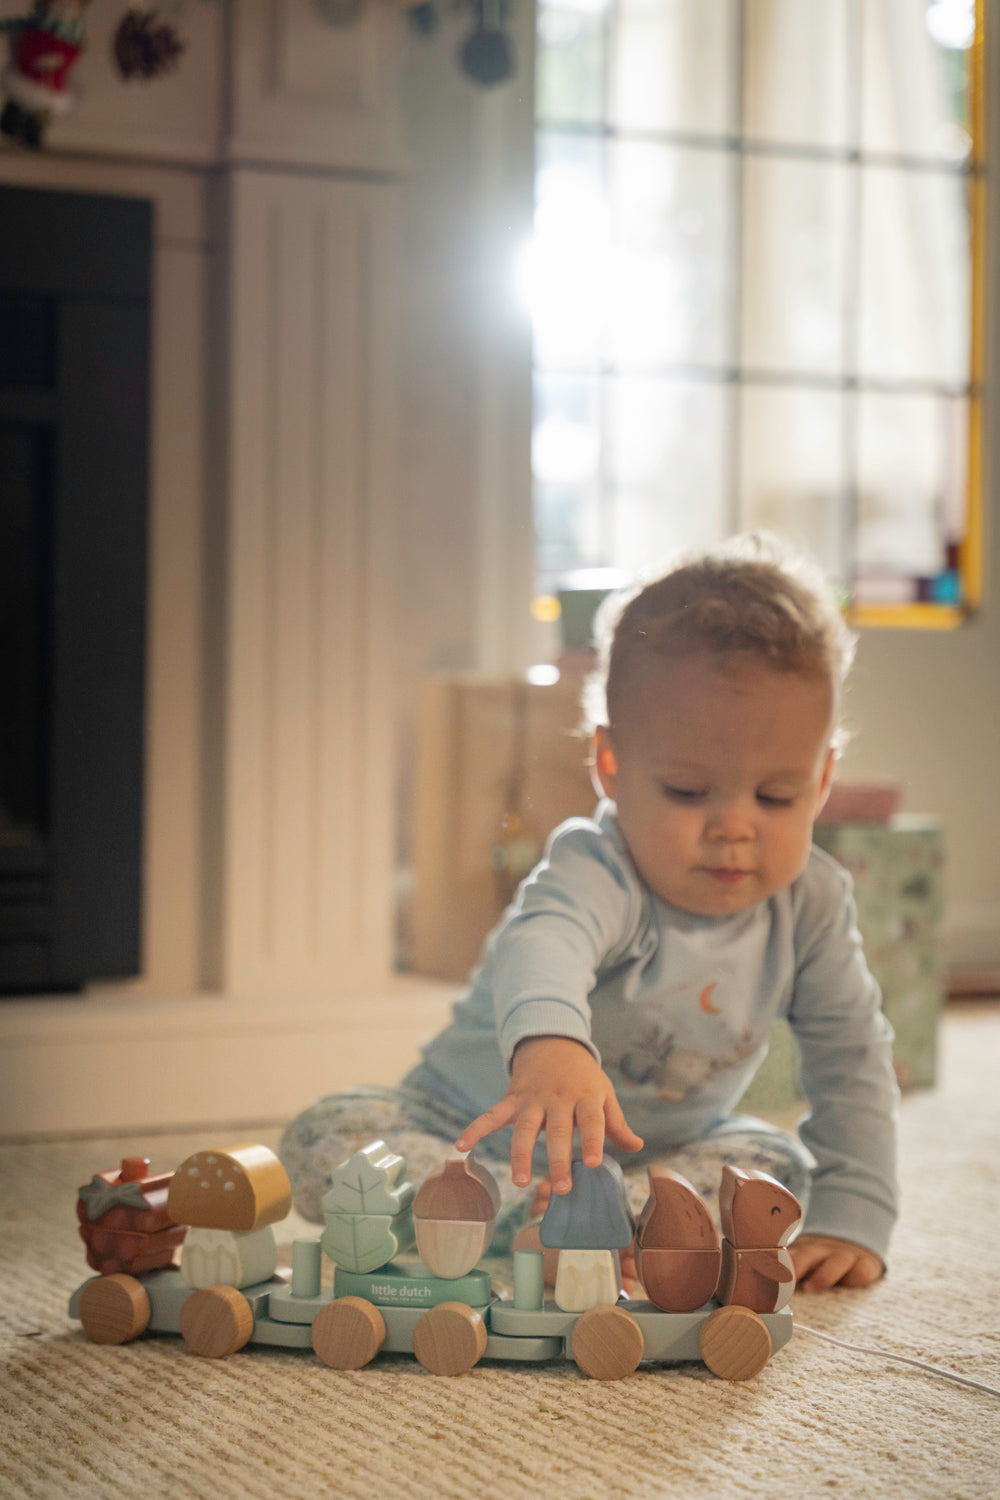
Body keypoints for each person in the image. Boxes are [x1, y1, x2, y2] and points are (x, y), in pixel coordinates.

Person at [281, 533, 899, 1294]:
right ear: (611, 765)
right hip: (462, 1133)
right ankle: (520, 1218)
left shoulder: (811, 907)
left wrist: (857, 1212)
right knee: (325, 1137)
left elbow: (853, 1059)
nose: (735, 826)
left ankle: (601, 1219)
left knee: (777, 1174)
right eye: (686, 791)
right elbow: (550, 939)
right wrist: (550, 1043)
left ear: (823, 778)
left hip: (650, 1156)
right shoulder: (596, 864)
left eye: (776, 797)